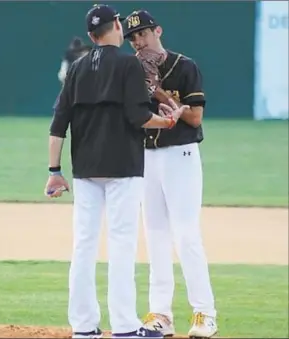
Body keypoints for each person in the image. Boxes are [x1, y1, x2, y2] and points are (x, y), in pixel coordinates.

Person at [44, 4, 189, 339]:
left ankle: (83, 327)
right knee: (121, 242)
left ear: (93, 35)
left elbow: (58, 124)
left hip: (84, 169)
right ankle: (124, 326)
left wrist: (54, 170)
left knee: (83, 244)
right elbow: (139, 116)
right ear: (116, 30)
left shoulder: (77, 68)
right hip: (123, 166)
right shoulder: (128, 65)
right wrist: (166, 121)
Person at [123, 10, 218, 339]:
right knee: (155, 237)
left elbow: (194, 118)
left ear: (158, 31)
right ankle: (160, 314)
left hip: (181, 156)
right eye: (133, 38)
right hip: (147, 158)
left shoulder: (184, 66)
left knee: (186, 235)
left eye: (143, 34)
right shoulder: (132, 71)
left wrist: (158, 90)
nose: (138, 41)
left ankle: (205, 313)